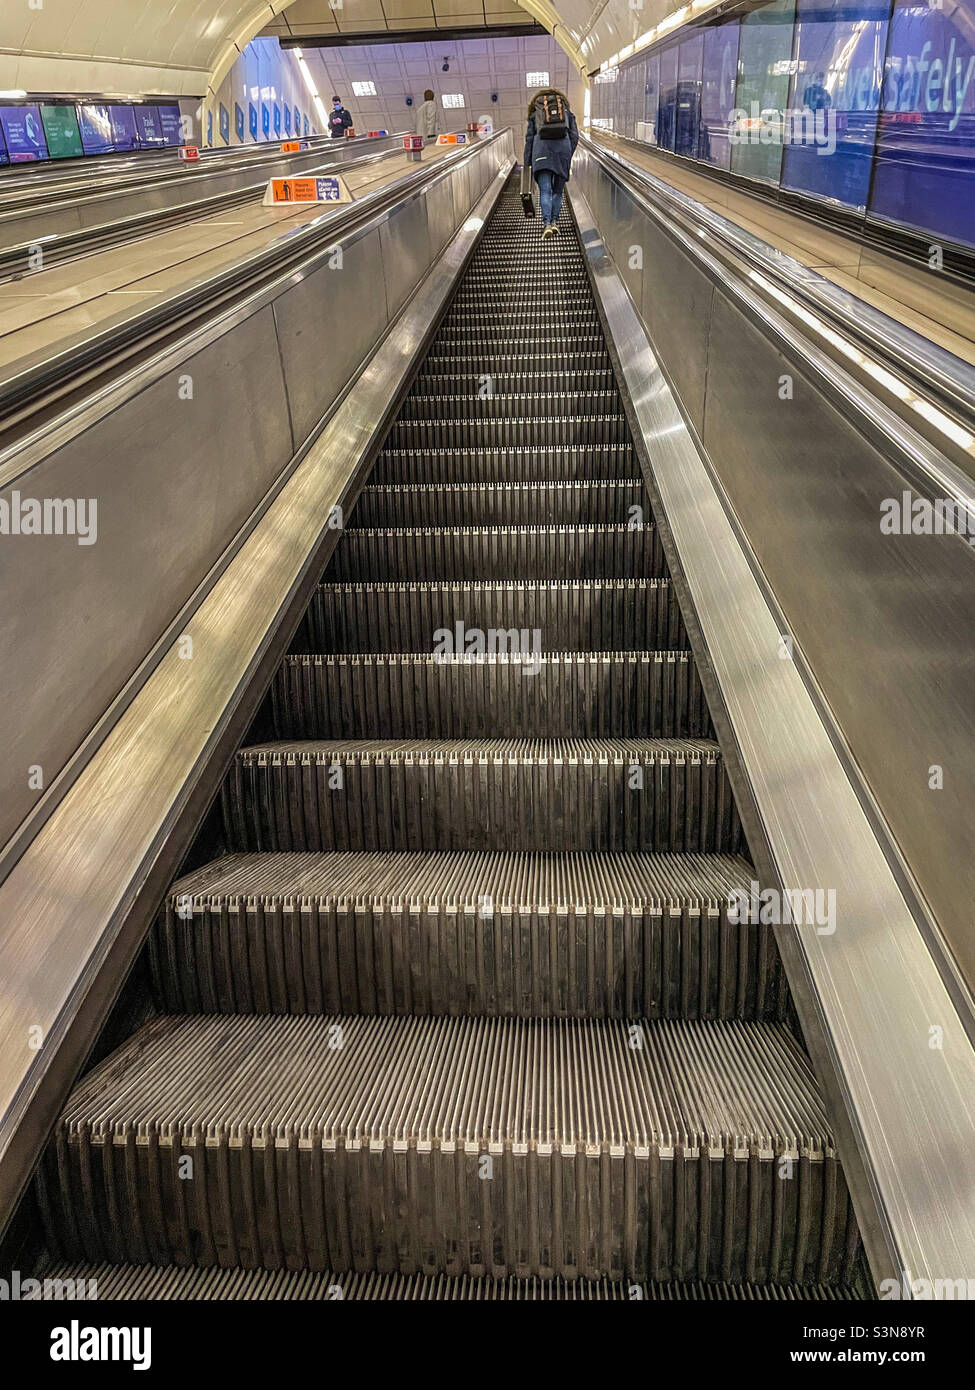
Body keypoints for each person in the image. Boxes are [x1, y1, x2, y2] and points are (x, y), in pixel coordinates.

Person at [524, 87, 579, 240]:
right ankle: (555, 222)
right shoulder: (567, 113)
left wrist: (527, 163)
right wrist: (567, 153)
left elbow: (529, 140)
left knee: (545, 191)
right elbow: (574, 136)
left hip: (541, 154)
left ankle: (547, 224)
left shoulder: (535, 114)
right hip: (563, 152)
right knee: (557, 192)